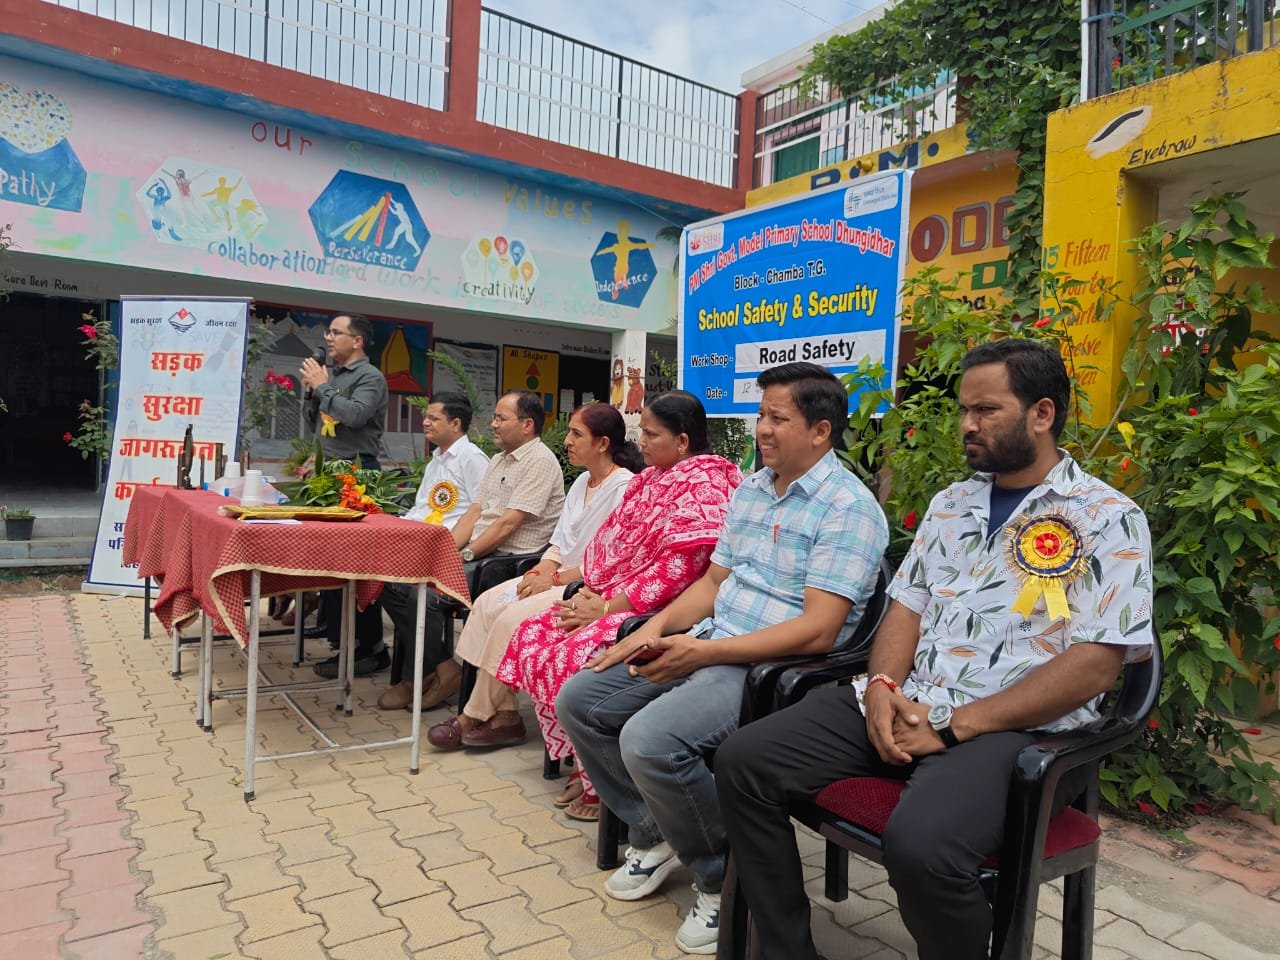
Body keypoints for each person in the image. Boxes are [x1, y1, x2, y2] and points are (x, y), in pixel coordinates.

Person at [714, 340, 1155, 960]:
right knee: (743, 761)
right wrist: (883, 690)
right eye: (964, 410)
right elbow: (905, 610)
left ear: (1042, 413)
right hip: (911, 699)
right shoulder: (952, 503)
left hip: (1013, 729)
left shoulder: (1108, 517)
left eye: (986, 410)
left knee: (922, 847)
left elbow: (1095, 665)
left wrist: (953, 726)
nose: (968, 424)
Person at [557, 363, 887, 954]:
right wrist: (652, 630)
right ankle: (658, 832)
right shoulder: (754, 489)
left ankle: (720, 877)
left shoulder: (848, 509)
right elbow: (713, 582)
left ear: (820, 431)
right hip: (712, 639)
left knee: (650, 741)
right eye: (761, 415)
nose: (762, 429)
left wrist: (701, 653)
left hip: (774, 673)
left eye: (777, 418)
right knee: (580, 699)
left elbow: (818, 631)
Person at [428, 393, 743, 812]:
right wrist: (590, 589)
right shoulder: (650, 480)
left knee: (568, 653)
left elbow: (676, 573)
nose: (641, 442)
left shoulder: (704, 486)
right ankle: (577, 758)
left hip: (652, 610)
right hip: (608, 593)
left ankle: (595, 780)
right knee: (533, 634)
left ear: (682, 442)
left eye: (651, 435)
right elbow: (609, 547)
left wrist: (607, 606)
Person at [418, 403, 642, 729]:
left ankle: (473, 714)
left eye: (576, 434)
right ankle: (506, 712)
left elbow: (609, 561)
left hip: (588, 586)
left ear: (603, 443)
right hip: (556, 574)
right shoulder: (582, 481)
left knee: (510, 618)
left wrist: (554, 579)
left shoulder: (624, 488)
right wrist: (539, 571)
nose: (567, 441)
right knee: (487, 604)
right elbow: (559, 542)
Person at [388, 390, 566, 708]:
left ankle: (424, 676)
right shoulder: (498, 460)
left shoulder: (539, 461)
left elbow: (508, 524)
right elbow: (475, 513)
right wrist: (448, 553)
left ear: (527, 425)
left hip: (507, 563)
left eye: (500, 418)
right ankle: (443, 668)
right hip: (482, 555)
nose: (493, 424)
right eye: (494, 417)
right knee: (393, 583)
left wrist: (465, 556)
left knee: (424, 595)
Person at [376, 392, 491, 709]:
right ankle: (442, 666)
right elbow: (420, 510)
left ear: (455, 423)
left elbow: (480, 512)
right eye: (426, 417)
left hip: (449, 554)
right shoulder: (436, 460)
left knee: (417, 595)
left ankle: (416, 678)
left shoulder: (473, 459)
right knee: (379, 581)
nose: (425, 422)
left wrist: (449, 550)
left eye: (433, 418)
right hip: (418, 546)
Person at [299, 314, 390, 678]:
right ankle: (337, 631)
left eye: (336, 332)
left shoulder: (370, 377)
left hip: (357, 476)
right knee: (329, 559)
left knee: (357, 563)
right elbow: (322, 426)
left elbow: (355, 415)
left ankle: (370, 648)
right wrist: (313, 392)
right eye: (328, 332)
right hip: (328, 474)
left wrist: (323, 387)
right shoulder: (332, 375)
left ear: (357, 341)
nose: (328, 337)